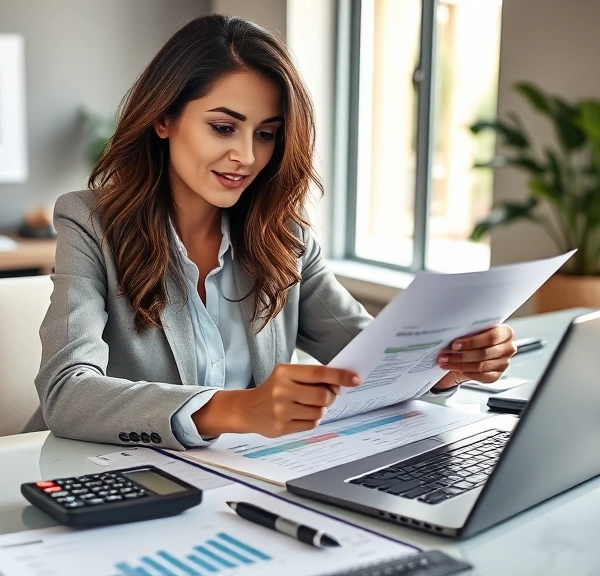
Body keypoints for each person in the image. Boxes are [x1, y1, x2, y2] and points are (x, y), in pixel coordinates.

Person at [35, 14, 516, 451]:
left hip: (247, 475)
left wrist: (447, 367)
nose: (247, 156)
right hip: (108, 472)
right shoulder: (90, 222)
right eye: (223, 127)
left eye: (265, 134)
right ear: (164, 118)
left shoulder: (284, 236)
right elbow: (66, 392)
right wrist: (239, 408)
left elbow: (371, 361)